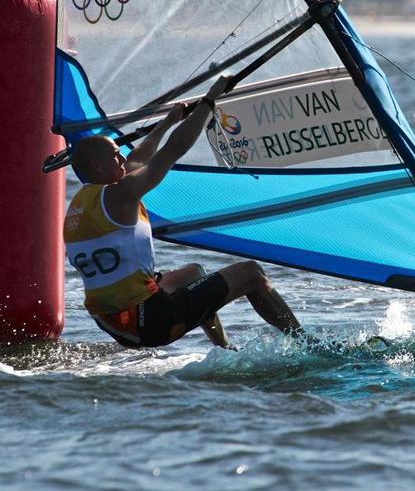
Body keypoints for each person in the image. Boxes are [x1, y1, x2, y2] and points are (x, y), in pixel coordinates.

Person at [63, 76, 304, 349]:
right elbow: (174, 150)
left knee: (193, 273)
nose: (122, 160)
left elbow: (137, 160)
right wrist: (210, 101)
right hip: (151, 320)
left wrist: (167, 123)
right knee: (250, 273)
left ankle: (224, 350)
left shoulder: (81, 204)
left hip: (117, 324)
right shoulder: (121, 193)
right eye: (116, 156)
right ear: (97, 167)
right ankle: (307, 345)